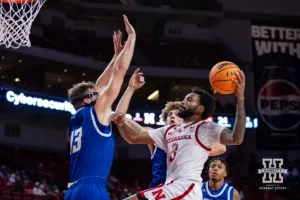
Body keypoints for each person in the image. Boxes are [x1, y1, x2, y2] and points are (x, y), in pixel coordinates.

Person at [112, 70, 246, 199]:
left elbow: (233, 140)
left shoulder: (206, 128)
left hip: (183, 188)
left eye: (189, 99)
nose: (183, 102)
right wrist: (121, 121)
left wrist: (240, 98)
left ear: (200, 109)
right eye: (169, 115)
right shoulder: (167, 131)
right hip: (166, 188)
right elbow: (133, 137)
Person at [64, 15, 136, 200]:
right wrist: (132, 39)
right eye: (95, 94)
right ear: (87, 100)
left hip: (72, 191)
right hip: (91, 189)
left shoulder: (77, 118)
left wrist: (115, 56)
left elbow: (98, 86)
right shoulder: (96, 112)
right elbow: (120, 72)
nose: (100, 93)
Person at [116, 88, 226, 189]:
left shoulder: (193, 136)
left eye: (177, 115)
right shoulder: (155, 135)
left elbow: (222, 148)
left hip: (180, 188)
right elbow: (131, 129)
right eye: (169, 115)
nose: (172, 116)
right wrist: (120, 115)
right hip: (158, 188)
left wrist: (192, 147)